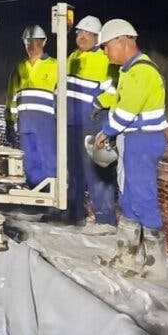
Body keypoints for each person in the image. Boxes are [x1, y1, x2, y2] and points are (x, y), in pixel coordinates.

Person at [94, 19, 168, 279]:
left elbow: (125, 112)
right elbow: (121, 100)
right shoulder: (129, 71)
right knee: (127, 197)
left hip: (143, 140)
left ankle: (155, 264)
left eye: (106, 46)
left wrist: (106, 131)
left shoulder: (142, 72)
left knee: (143, 198)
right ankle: (128, 255)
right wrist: (103, 100)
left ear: (122, 41)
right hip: (133, 138)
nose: (105, 52)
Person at [67, 16, 118, 231]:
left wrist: (100, 103)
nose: (81, 36)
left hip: (93, 122)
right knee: (74, 170)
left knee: (97, 172)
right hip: (71, 123)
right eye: (79, 32)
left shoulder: (105, 60)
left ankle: (105, 219)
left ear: (97, 37)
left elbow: (116, 91)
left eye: (86, 33)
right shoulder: (71, 57)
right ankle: (74, 214)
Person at [6, 25, 58, 190]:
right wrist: (9, 123)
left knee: (50, 161)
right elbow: (12, 98)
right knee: (30, 163)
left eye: (36, 41)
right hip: (26, 124)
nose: (32, 45)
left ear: (44, 42)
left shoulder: (55, 66)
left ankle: (54, 197)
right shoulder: (20, 68)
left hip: (47, 124)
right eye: (28, 42)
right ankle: (38, 195)